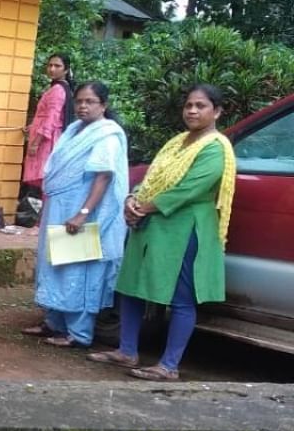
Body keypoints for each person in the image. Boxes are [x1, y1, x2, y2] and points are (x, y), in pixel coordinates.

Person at [88, 84, 237, 381]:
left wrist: (142, 208)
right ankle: (126, 351)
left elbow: (188, 190)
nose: (192, 111)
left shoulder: (216, 148)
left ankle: (169, 366)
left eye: (201, 106)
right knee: (130, 286)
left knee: (181, 297)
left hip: (184, 227)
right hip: (152, 223)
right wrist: (133, 198)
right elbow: (153, 177)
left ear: (217, 111)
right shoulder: (177, 142)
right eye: (188, 105)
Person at [21, 81, 128, 348]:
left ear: (103, 105)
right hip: (60, 207)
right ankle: (54, 323)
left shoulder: (107, 134)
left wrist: (82, 213)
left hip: (84, 212)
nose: (82, 106)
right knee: (55, 264)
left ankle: (79, 334)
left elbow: (103, 176)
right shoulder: (74, 129)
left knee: (78, 269)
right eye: (79, 101)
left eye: (90, 101)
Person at [22, 53, 74, 191]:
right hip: (48, 137)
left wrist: (35, 143)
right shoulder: (61, 88)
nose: (52, 69)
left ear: (66, 70)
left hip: (46, 142)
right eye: (50, 65)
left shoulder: (57, 90)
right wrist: (33, 126)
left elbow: (51, 119)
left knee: (45, 182)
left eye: (57, 66)